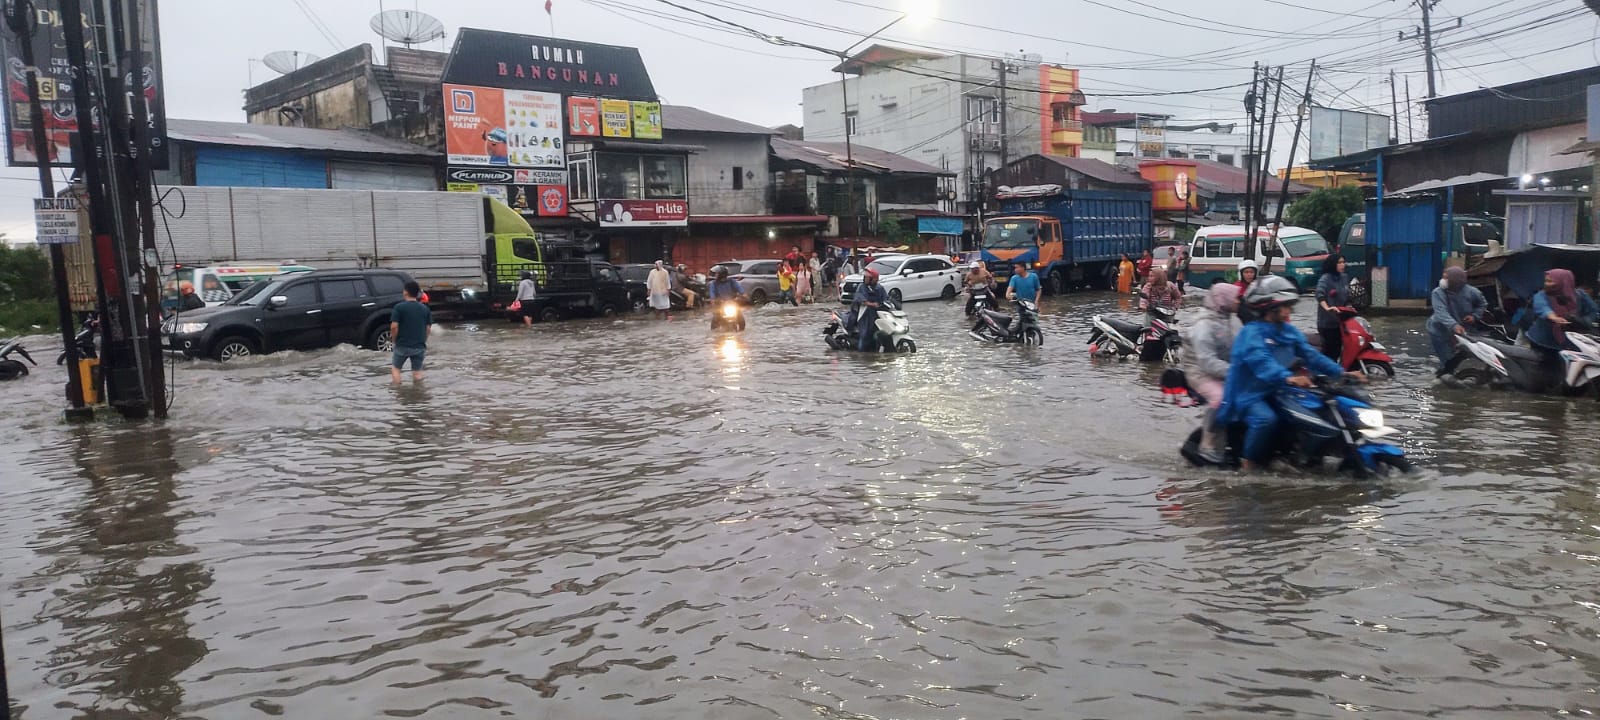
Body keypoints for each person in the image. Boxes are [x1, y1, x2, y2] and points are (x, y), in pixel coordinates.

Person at [1218, 276, 1361, 472]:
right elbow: (1262, 363)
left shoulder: (1287, 331)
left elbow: (1312, 356)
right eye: (1286, 306)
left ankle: (1303, 456)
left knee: (1318, 409)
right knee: (1266, 419)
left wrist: (1342, 373)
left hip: (1280, 389)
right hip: (1248, 393)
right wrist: (1288, 377)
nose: (1289, 310)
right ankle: (1248, 463)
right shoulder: (1251, 334)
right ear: (1270, 308)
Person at [1183, 283, 1242, 463]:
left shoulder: (1233, 320)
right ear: (1224, 300)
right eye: (1236, 298)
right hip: (1200, 373)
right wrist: (1236, 371)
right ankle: (1208, 445)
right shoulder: (1204, 325)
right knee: (1220, 399)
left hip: (1228, 370)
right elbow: (1206, 361)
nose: (1240, 301)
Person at [1426, 266, 1489, 375]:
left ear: (1455, 281)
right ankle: (1445, 377)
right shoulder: (1438, 292)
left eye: (1446, 278)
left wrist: (1474, 316)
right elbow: (1441, 312)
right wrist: (1454, 325)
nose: (1443, 281)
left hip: (1462, 330)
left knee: (1460, 355)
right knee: (1447, 358)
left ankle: (1449, 375)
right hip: (1439, 330)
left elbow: (1482, 304)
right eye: (1443, 278)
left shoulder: (1472, 292)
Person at [1527, 268, 1599, 354]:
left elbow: (1593, 310)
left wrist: (1584, 321)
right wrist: (1554, 318)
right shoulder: (1542, 295)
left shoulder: (1580, 295)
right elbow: (1542, 307)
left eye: (1550, 281)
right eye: (1546, 281)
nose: (1546, 284)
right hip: (1542, 342)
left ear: (1564, 281)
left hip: (1571, 342)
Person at [390, 281, 432, 384]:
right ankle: (418, 394)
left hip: (402, 345)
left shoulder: (399, 307)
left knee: (396, 369)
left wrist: (394, 340)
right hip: (419, 346)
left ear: (405, 292)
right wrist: (423, 340)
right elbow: (428, 328)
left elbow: (394, 326)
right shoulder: (425, 309)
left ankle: (398, 393)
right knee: (417, 372)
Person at [1314, 253, 1351, 363]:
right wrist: (1327, 308)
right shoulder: (1325, 279)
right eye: (1339, 263)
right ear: (1333, 264)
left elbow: (1347, 296)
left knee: (1339, 349)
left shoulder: (1344, 277)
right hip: (1327, 322)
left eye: (1343, 262)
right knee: (1330, 351)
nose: (1342, 265)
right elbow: (1319, 294)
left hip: (1341, 321)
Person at [852, 268, 890, 351]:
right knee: (865, 334)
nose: (866, 279)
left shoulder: (879, 288)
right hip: (864, 315)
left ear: (874, 279)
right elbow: (860, 299)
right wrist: (871, 304)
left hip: (877, 314)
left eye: (868, 278)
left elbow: (886, 299)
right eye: (865, 277)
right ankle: (861, 353)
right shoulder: (862, 287)